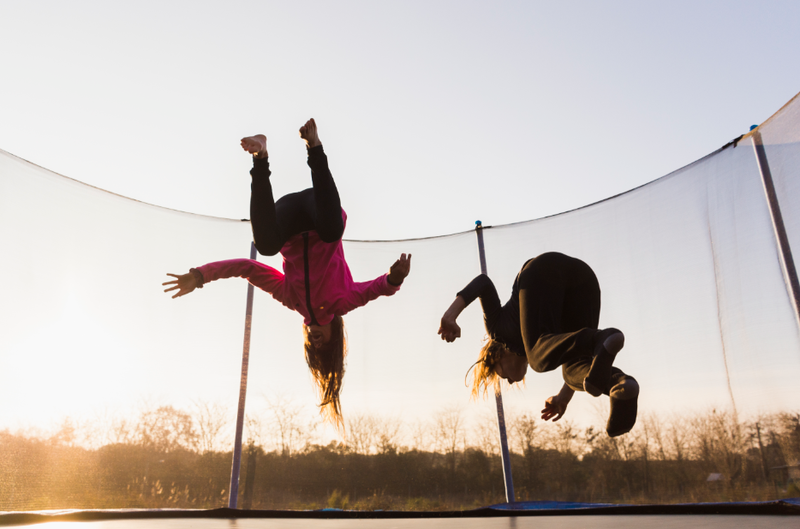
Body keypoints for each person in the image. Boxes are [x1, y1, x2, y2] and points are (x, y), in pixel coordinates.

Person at [164, 119, 411, 429]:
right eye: (325, 346)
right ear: (335, 337)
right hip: (318, 212)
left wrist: (200, 276)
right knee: (334, 229)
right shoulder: (343, 302)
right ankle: (315, 148)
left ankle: (260, 157)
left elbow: (247, 268)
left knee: (265, 246)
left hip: (290, 218)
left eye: (313, 346)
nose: (317, 342)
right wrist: (395, 279)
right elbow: (377, 289)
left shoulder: (291, 299)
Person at [438, 252, 638, 437]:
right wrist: (562, 399)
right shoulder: (543, 345)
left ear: (496, 357)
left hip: (541, 271)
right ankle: (620, 385)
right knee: (573, 368)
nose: (509, 381)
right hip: (584, 281)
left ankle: (599, 339)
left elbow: (483, 282)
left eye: (502, 375)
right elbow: (573, 368)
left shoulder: (497, 329)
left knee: (537, 359)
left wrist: (450, 315)